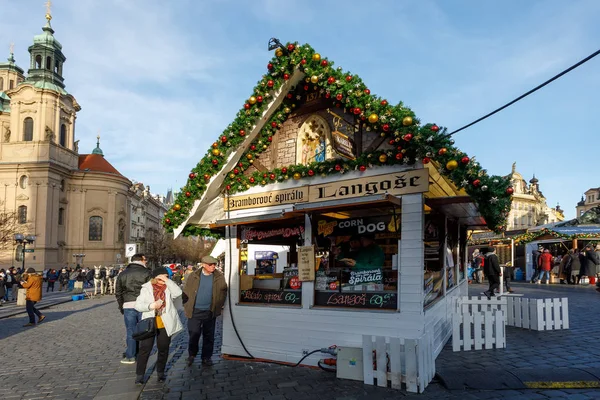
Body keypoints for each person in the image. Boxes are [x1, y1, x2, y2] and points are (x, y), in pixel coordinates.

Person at [134, 267, 183, 384]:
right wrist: (151, 306)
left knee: (163, 349)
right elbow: (138, 305)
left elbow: (178, 293)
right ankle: (140, 376)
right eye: (161, 277)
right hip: (149, 323)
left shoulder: (169, 288)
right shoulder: (146, 288)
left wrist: (167, 281)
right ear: (155, 278)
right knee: (145, 349)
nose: (163, 280)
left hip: (165, 323)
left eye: (166, 277)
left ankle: (160, 373)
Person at [183, 255, 228, 367]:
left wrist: (219, 305)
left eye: (214, 264)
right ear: (203, 265)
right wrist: (187, 305)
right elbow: (186, 291)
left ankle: (206, 358)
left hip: (210, 311)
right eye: (210, 264)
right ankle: (192, 355)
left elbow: (223, 291)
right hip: (195, 311)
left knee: (209, 336)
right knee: (194, 334)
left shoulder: (219, 277)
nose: (213, 266)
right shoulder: (193, 276)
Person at [115, 253, 152, 364]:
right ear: (141, 260)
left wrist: (122, 305)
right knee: (144, 330)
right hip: (144, 306)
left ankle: (131, 355)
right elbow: (152, 291)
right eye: (145, 259)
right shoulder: (147, 272)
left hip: (128, 305)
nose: (146, 261)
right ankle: (142, 353)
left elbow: (118, 292)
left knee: (130, 331)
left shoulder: (123, 274)